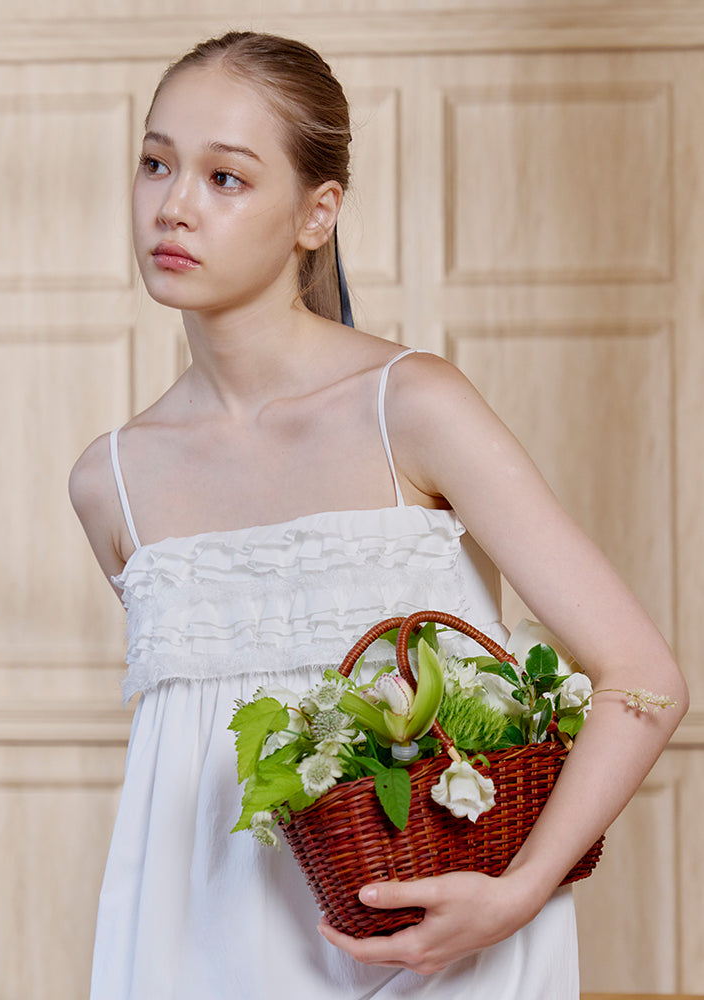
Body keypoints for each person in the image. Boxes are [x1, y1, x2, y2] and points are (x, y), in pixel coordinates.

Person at [69, 30, 688, 1000]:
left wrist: (519, 891)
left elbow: (644, 677)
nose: (173, 204)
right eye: (156, 163)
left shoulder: (414, 405)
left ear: (319, 213)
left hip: (452, 945)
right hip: (197, 954)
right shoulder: (112, 480)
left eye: (226, 178)